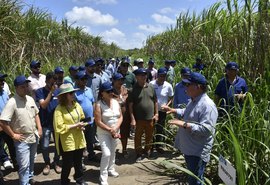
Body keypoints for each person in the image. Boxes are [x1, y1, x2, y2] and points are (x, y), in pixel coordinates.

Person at [162, 72, 218, 185]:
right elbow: (187, 112)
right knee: (193, 179)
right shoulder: (193, 100)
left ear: (197, 87)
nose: (185, 87)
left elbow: (206, 130)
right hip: (190, 149)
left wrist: (183, 124)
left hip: (197, 151)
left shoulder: (207, 105)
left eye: (188, 85)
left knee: (196, 181)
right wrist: (174, 110)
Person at [0, 75, 42, 185]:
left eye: (26, 86)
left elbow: (36, 113)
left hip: (33, 135)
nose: (26, 88)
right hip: (22, 139)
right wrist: (13, 135)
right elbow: (3, 121)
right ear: (16, 88)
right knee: (24, 164)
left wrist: (40, 128)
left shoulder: (30, 99)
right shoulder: (12, 102)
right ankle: (24, 183)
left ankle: (30, 178)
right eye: (23, 87)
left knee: (32, 161)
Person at [53, 83, 88, 185]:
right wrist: (75, 125)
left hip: (78, 137)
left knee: (78, 161)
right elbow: (59, 127)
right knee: (67, 163)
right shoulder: (59, 109)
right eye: (70, 93)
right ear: (64, 95)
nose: (73, 94)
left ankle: (79, 179)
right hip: (67, 140)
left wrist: (83, 124)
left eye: (73, 92)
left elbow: (82, 117)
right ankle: (64, 181)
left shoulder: (76, 105)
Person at [95, 81, 122, 185]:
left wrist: (116, 127)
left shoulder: (115, 102)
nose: (111, 93)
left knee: (113, 151)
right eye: (108, 91)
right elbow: (98, 122)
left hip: (116, 131)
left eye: (111, 90)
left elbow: (120, 117)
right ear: (102, 93)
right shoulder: (98, 105)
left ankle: (111, 169)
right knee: (106, 153)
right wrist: (110, 129)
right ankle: (103, 177)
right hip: (104, 133)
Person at [129, 68, 158, 162]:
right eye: (141, 75)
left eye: (145, 75)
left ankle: (147, 151)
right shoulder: (133, 89)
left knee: (149, 136)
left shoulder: (151, 87)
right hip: (139, 119)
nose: (144, 77)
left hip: (150, 118)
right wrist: (132, 119)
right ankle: (138, 153)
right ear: (137, 77)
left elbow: (155, 101)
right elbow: (130, 105)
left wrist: (156, 113)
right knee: (138, 136)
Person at [35, 72, 61, 175]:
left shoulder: (58, 91)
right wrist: (51, 93)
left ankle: (56, 162)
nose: (53, 85)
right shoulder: (40, 91)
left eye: (54, 83)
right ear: (46, 81)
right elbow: (43, 105)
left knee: (58, 145)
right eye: (50, 83)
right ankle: (47, 163)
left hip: (57, 123)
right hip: (45, 123)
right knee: (45, 146)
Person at [74, 71, 99, 163]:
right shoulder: (74, 92)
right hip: (81, 122)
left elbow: (93, 102)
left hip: (91, 120)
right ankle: (80, 161)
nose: (85, 81)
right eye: (82, 79)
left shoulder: (88, 89)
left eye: (86, 79)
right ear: (77, 80)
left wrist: (94, 115)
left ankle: (91, 155)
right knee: (80, 143)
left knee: (90, 140)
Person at [149, 67, 174, 153]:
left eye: (164, 76)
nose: (162, 77)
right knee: (151, 127)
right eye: (161, 75)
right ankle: (151, 145)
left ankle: (158, 145)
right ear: (157, 75)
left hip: (162, 111)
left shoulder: (168, 86)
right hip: (152, 110)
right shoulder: (151, 84)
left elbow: (171, 98)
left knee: (160, 128)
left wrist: (167, 105)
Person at [0, 73, 16, 170]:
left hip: (8, 124)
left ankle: (16, 163)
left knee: (12, 144)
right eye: (0, 80)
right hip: (0, 125)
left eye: (3, 80)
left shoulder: (4, 92)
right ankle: (5, 159)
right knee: (0, 144)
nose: (3, 82)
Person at [112, 73, 129, 158]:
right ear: (113, 81)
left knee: (125, 133)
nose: (120, 81)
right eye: (118, 80)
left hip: (125, 115)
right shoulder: (110, 91)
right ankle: (113, 151)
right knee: (113, 133)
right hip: (114, 116)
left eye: (122, 80)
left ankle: (124, 149)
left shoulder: (125, 89)